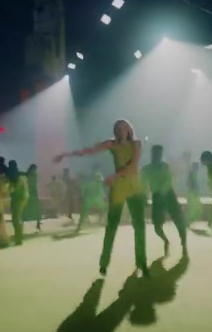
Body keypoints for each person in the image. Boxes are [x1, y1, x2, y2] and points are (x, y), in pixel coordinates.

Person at [54, 119, 149, 277]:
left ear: (129, 129)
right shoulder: (111, 144)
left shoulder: (136, 144)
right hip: (118, 188)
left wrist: (114, 176)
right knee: (111, 226)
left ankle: (142, 263)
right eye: (118, 129)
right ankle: (104, 263)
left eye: (123, 128)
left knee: (139, 226)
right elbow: (89, 151)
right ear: (115, 131)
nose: (121, 131)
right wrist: (66, 154)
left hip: (135, 187)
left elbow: (133, 165)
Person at [141, 145, 188, 257]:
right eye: (155, 153)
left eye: (159, 154)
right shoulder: (146, 169)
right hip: (157, 196)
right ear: (152, 154)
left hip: (169, 195)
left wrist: (163, 191)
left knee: (178, 220)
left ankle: (184, 245)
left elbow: (169, 180)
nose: (157, 156)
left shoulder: (165, 167)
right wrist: (144, 197)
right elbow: (143, 185)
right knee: (157, 226)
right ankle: (166, 241)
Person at [7, 160, 30, 245]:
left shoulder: (16, 176)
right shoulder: (22, 175)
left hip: (18, 198)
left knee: (16, 218)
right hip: (24, 197)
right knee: (17, 217)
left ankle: (19, 239)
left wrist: (7, 189)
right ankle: (19, 237)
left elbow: (14, 189)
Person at [185, 162, 204, 228]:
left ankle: (189, 221)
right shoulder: (192, 173)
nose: (197, 168)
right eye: (196, 166)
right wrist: (194, 189)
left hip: (193, 192)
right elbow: (190, 182)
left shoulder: (194, 173)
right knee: (192, 207)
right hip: (192, 192)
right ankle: (188, 222)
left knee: (193, 207)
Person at [25, 164, 42, 231]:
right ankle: (38, 223)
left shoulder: (28, 174)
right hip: (33, 192)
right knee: (37, 208)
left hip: (29, 191)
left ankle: (38, 223)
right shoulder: (33, 174)